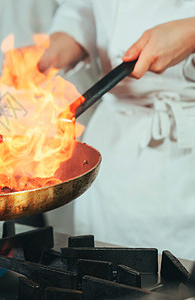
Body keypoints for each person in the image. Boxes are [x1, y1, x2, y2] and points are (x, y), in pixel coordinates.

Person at [38, 0, 195, 260]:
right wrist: (60, 44)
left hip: (182, 145)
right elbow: (84, 9)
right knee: (100, 269)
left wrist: (190, 32)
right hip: (114, 145)